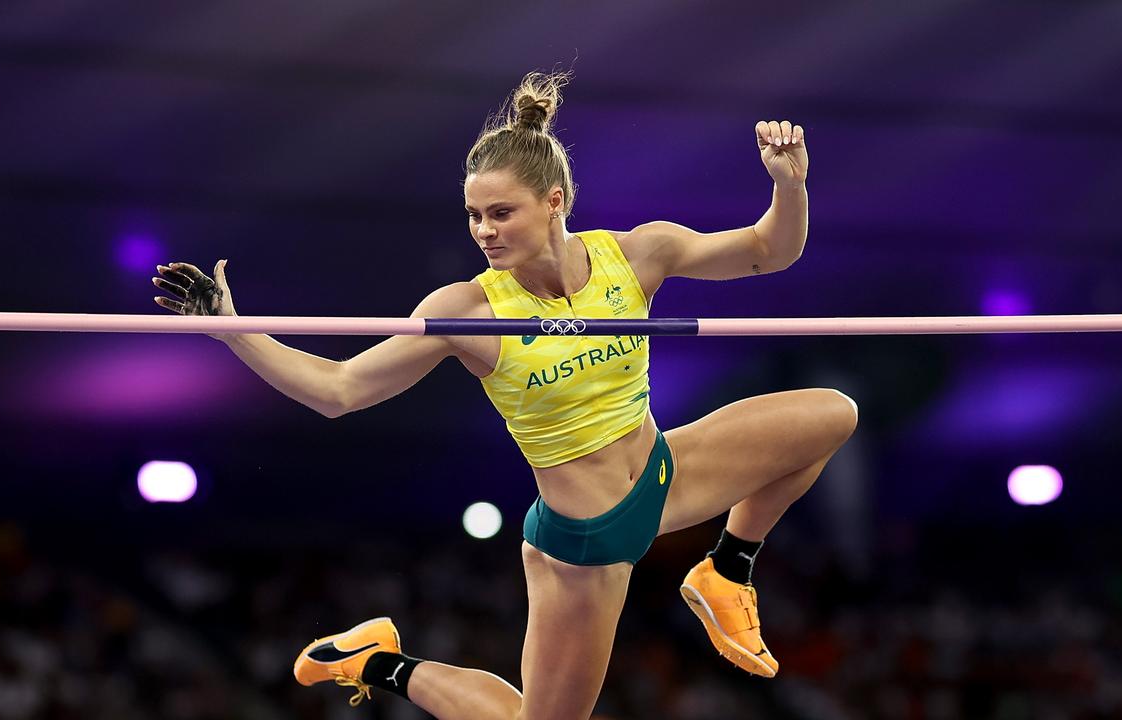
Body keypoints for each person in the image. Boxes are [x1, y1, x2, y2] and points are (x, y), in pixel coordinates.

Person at [152, 71, 857, 720]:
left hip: (666, 476)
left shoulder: (639, 254)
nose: (483, 232)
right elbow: (339, 390)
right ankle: (382, 662)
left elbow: (771, 249)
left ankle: (727, 569)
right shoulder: (470, 313)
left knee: (833, 415)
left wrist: (788, 185)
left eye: (500, 213)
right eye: (473, 216)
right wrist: (233, 333)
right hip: (586, 544)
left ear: (554, 202)